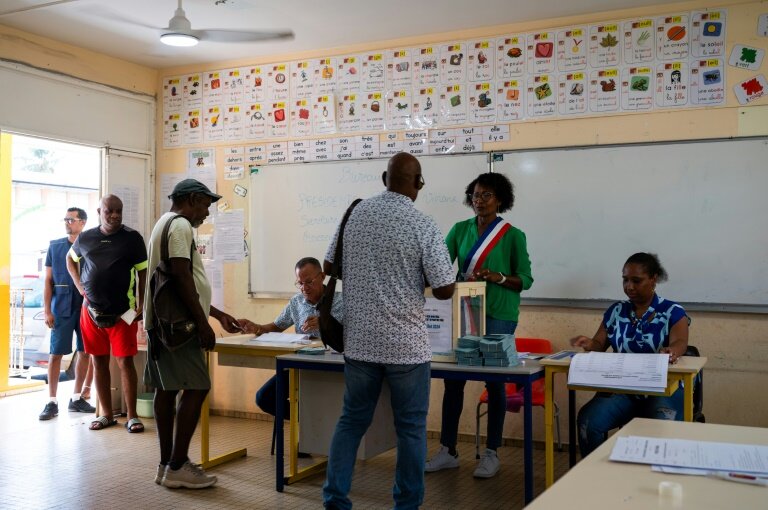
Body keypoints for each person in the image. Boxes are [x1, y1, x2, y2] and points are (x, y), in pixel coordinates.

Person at [322, 153, 456, 510]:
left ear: (385, 178)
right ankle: (406, 505)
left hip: (360, 341)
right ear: (419, 183)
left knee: (351, 421)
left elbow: (328, 265)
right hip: (406, 347)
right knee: (410, 429)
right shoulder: (422, 223)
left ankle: (335, 499)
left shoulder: (355, 214)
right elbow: (444, 288)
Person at [425, 172, 533, 479]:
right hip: (464, 311)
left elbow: (524, 279)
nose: (479, 201)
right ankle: (448, 450)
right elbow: (441, 267)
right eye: (475, 195)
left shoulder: (513, 234)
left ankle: (492, 453)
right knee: (453, 380)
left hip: (500, 312)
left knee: (494, 381)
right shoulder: (460, 230)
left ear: (500, 199)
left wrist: (497, 277)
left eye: (486, 195)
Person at [144, 179, 245, 489]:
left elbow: (180, 283)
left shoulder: (163, 223)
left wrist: (217, 314)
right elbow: (180, 273)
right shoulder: (182, 226)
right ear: (189, 200)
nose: (206, 212)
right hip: (179, 329)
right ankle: (176, 465)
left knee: (167, 390)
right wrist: (203, 323)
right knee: (198, 387)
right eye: (204, 205)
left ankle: (166, 465)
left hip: (160, 324)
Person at [570, 252, 689, 458]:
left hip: (663, 388)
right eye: (625, 280)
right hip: (622, 388)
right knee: (589, 421)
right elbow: (599, 343)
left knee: (664, 428)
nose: (629, 286)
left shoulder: (672, 311)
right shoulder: (617, 311)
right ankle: (596, 477)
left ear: (653, 279)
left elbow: (681, 342)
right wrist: (590, 343)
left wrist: (673, 350)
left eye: (636, 280)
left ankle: (653, 482)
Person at [67, 195, 147, 433]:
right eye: (109, 211)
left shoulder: (132, 239)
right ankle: (107, 414)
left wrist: (141, 303)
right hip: (90, 312)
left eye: (118, 211)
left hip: (123, 313)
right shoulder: (86, 237)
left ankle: (132, 416)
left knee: (125, 362)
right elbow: (70, 260)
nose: (114, 215)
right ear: (99, 211)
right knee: (98, 361)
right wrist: (81, 287)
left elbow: (143, 272)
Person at [239, 257, 342, 424]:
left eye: (309, 282)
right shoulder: (297, 302)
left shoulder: (341, 301)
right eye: (300, 283)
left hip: (332, 368)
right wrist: (256, 327)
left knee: (330, 400)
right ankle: (311, 423)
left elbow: (353, 335)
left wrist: (326, 323)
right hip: (300, 366)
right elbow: (276, 326)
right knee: (264, 398)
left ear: (322, 276)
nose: (304, 288)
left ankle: (316, 429)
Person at [38, 207, 95, 420]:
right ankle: (51, 402)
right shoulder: (55, 246)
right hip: (60, 307)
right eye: (66, 219)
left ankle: (77, 398)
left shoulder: (90, 245)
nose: (67, 223)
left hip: (85, 306)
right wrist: (47, 311)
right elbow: (47, 281)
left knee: (85, 351)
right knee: (56, 354)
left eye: (71, 220)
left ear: (82, 222)